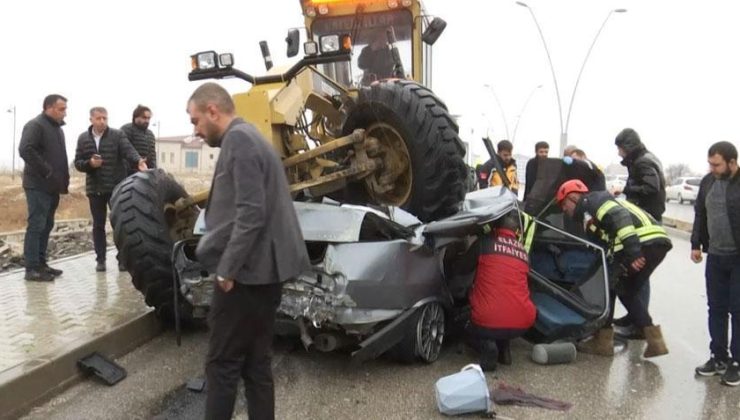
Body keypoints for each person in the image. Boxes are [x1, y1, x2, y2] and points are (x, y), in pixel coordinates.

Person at [189, 82, 310, 420]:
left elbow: (251, 212)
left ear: (214, 111)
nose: (195, 130)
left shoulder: (239, 140)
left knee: (222, 363)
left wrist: (227, 268)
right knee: (256, 363)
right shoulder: (254, 137)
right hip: (265, 272)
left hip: (246, 273)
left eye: (195, 120)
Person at [556, 179, 672, 358]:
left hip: (642, 242)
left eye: (564, 205)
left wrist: (634, 252)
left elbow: (620, 217)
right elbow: (602, 245)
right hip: (654, 242)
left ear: (572, 198)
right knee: (621, 288)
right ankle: (646, 340)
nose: (565, 210)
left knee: (616, 288)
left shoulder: (592, 202)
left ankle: (607, 341)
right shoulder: (590, 215)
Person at [74, 107, 146, 272]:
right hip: (95, 189)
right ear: (91, 119)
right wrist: (89, 164)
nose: (102, 121)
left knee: (120, 225)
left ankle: (123, 259)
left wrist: (138, 162)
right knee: (98, 226)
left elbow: (129, 150)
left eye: (105, 118)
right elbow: (78, 162)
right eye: (99, 118)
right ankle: (101, 260)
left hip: (116, 188)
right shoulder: (83, 138)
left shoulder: (117, 135)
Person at [691, 141, 740, 386]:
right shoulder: (708, 182)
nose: (712, 168)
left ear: (732, 162)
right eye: (709, 163)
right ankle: (718, 357)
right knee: (716, 309)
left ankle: (737, 363)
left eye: (716, 164)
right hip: (716, 257)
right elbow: (700, 212)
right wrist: (696, 243)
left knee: (738, 309)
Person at [612, 128, 667, 339]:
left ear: (628, 147)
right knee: (639, 275)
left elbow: (651, 187)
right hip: (648, 221)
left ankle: (640, 324)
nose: (619, 154)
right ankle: (634, 316)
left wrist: (627, 189)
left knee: (639, 274)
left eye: (620, 148)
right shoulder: (644, 159)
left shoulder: (643, 162)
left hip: (647, 225)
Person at [467, 210, 536, 371]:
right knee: (505, 304)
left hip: (489, 319)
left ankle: (487, 347)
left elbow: (461, 269)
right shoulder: (523, 252)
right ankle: (504, 349)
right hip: (523, 323)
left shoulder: (484, 243)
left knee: (467, 322)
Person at [18, 94, 70, 282]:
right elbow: (25, 149)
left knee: (47, 225)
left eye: (65, 108)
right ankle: (31, 268)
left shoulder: (57, 129)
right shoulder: (36, 125)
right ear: (49, 107)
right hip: (38, 184)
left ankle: (41, 263)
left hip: (52, 186)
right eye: (61, 108)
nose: (65, 112)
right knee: (37, 225)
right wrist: (47, 171)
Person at [121, 105, 157, 174]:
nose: (147, 121)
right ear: (135, 117)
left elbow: (152, 156)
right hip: (129, 174)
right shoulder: (126, 130)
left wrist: (154, 172)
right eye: (144, 118)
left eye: (148, 118)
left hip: (146, 173)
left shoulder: (150, 134)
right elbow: (125, 151)